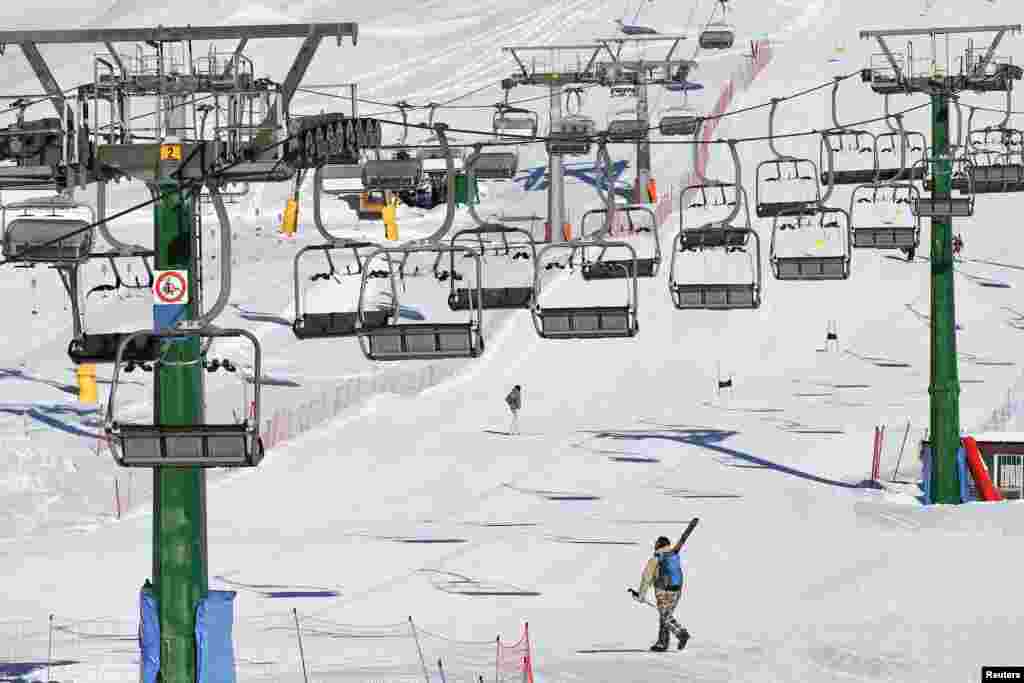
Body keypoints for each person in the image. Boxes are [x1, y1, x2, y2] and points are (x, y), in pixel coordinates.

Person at [630, 518, 699, 651]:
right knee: (666, 615)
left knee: (665, 616)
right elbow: (683, 538)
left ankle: (680, 633)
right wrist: (692, 526)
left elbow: (646, 576)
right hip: (677, 589)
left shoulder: (657, 557)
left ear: (658, 545)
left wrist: (641, 595)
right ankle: (662, 643)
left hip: (663, 590)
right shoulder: (674, 552)